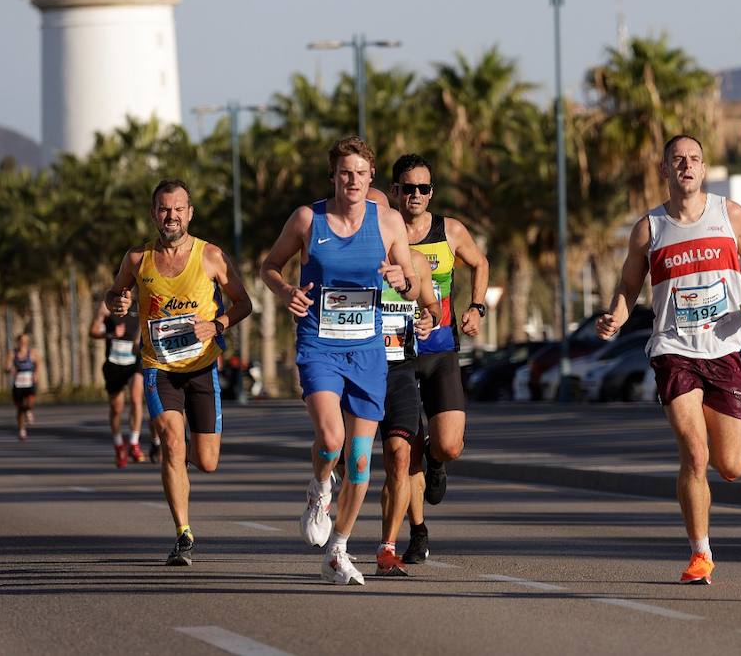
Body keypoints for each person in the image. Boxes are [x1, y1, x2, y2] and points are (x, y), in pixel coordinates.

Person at [261, 136, 439, 586]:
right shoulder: (308, 218)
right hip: (319, 344)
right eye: (345, 173)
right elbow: (270, 266)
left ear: (371, 177)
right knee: (331, 438)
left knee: (361, 460)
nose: (353, 180)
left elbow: (414, 286)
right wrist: (287, 292)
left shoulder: (389, 222)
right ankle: (320, 488)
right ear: (333, 177)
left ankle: (338, 549)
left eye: (361, 173)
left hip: (367, 349)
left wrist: (404, 278)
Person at [597, 134, 741, 585]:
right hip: (674, 350)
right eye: (678, 160)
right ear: (665, 170)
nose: (686, 166)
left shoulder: (728, 215)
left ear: (704, 168)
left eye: (694, 159)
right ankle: (700, 554)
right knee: (695, 453)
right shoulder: (649, 228)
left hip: (725, 347)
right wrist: (615, 316)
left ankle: (705, 514)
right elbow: (628, 286)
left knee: (731, 466)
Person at [106, 179, 253, 567]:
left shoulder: (211, 256)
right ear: (154, 213)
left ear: (189, 213)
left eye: (178, 209)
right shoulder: (137, 259)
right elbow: (114, 294)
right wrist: (117, 303)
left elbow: (244, 303)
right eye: (163, 209)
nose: (171, 216)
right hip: (159, 368)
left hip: (202, 367)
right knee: (172, 441)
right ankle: (183, 533)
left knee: (206, 461)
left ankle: (180, 460)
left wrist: (217, 324)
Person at [382, 153, 489, 566]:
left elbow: (481, 263)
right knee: (403, 451)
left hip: (440, 349)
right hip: (397, 355)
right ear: (394, 191)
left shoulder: (450, 231)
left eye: (423, 188)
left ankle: (438, 464)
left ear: (432, 193)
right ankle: (418, 532)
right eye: (407, 188)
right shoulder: (383, 233)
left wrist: (477, 306)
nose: (415, 195)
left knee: (446, 444)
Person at [91, 300, 148, 467]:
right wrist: (109, 335)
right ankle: (119, 446)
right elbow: (93, 331)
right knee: (117, 408)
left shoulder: (140, 304)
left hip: (135, 359)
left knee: (137, 398)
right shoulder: (106, 306)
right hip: (114, 362)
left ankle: (134, 443)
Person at [6, 332, 38, 441]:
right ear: (18, 342)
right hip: (18, 384)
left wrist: (36, 374)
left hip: (29, 382)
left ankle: (28, 410)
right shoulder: (12, 353)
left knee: (29, 403)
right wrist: (10, 369)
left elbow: (38, 363)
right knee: (19, 408)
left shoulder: (32, 353)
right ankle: (22, 430)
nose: (23, 343)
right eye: (21, 341)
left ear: (27, 342)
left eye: (25, 341)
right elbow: (6, 367)